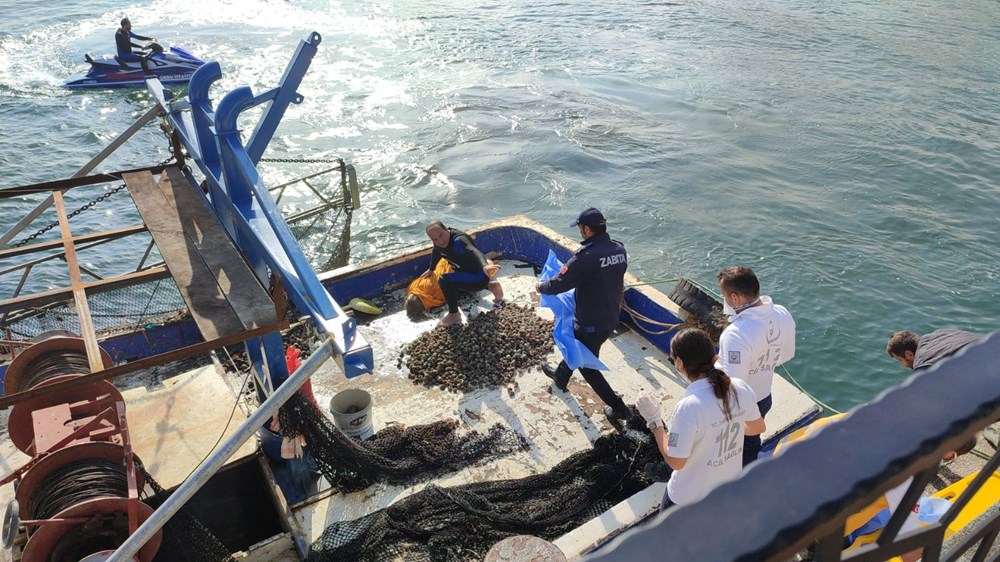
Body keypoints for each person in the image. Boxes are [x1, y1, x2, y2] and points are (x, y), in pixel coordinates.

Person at [774, 414, 977, 562]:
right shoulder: (904, 472)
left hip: (782, 472)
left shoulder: (884, 413)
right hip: (815, 512)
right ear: (949, 454)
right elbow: (910, 550)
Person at [636, 327, 765, 510]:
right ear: (714, 356)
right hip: (725, 489)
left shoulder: (688, 407)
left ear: (680, 363)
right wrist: (725, 425)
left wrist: (655, 421)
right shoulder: (739, 387)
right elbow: (758, 427)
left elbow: (676, 462)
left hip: (687, 500)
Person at [536, 207, 631, 422]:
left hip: (591, 322)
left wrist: (540, 287)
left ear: (587, 229)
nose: (580, 232)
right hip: (610, 316)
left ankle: (620, 409)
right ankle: (561, 378)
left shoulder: (585, 257)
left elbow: (559, 284)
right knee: (576, 345)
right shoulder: (619, 249)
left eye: (580, 228)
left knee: (587, 366)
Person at [715, 265, 795, 466]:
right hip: (764, 397)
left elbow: (734, 385)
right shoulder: (782, 313)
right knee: (751, 445)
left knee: (734, 450)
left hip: (742, 407)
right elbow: (785, 355)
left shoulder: (735, 334)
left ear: (734, 298)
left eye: (724, 296)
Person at [424, 220, 503, 327]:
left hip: (478, 277)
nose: (440, 241)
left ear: (446, 229)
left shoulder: (459, 240)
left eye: (441, 235)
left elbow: (473, 251)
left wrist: (485, 265)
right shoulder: (438, 241)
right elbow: (436, 252)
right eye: (435, 239)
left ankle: (454, 314)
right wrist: (431, 270)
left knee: (444, 280)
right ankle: (492, 286)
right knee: (453, 292)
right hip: (465, 275)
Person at [886, 329, 983, 371]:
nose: (903, 365)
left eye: (899, 360)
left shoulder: (923, 365)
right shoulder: (941, 333)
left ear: (909, 355)